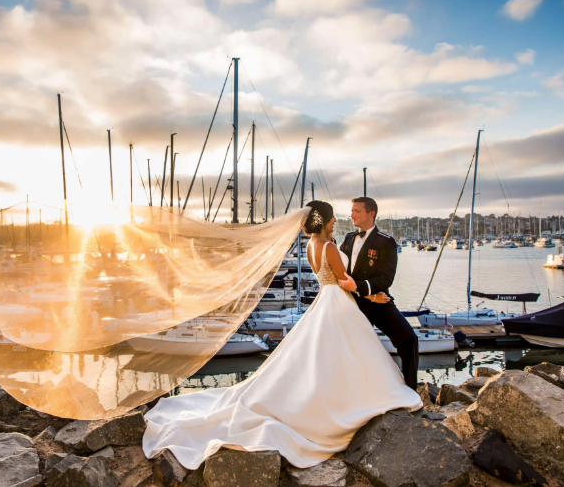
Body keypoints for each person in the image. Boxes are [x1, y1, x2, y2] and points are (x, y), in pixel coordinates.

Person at [142, 200, 422, 470]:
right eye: (334, 216)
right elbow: (343, 282)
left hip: (325, 301)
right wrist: (373, 294)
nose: (339, 219)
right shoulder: (331, 247)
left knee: (326, 355)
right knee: (345, 352)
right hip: (338, 300)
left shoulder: (312, 245)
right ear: (324, 220)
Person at [340, 197, 419, 390]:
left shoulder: (386, 242)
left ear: (371, 213)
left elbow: (386, 279)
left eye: (357, 211)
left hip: (379, 302)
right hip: (353, 303)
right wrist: (360, 292)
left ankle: (411, 389)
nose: (352, 215)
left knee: (409, 339)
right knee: (350, 348)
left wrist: (361, 289)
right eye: (352, 211)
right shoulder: (349, 238)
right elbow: (341, 272)